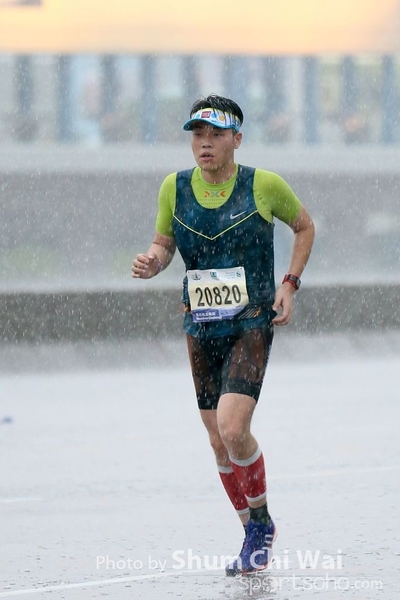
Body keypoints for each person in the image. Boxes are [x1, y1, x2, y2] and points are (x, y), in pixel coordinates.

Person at [132, 94, 315, 576]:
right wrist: (153, 261)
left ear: (237, 139)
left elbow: (304, 227)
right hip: (201, 324)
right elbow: (164, 243)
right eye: (198, 135)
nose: (205, 144)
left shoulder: (264, 185)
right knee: (217, 441)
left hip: (251, 320)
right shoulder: (174, 187)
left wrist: (289, 284)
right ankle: (252, 529)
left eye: (216, 135)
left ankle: (260, 523)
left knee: (234, 428)